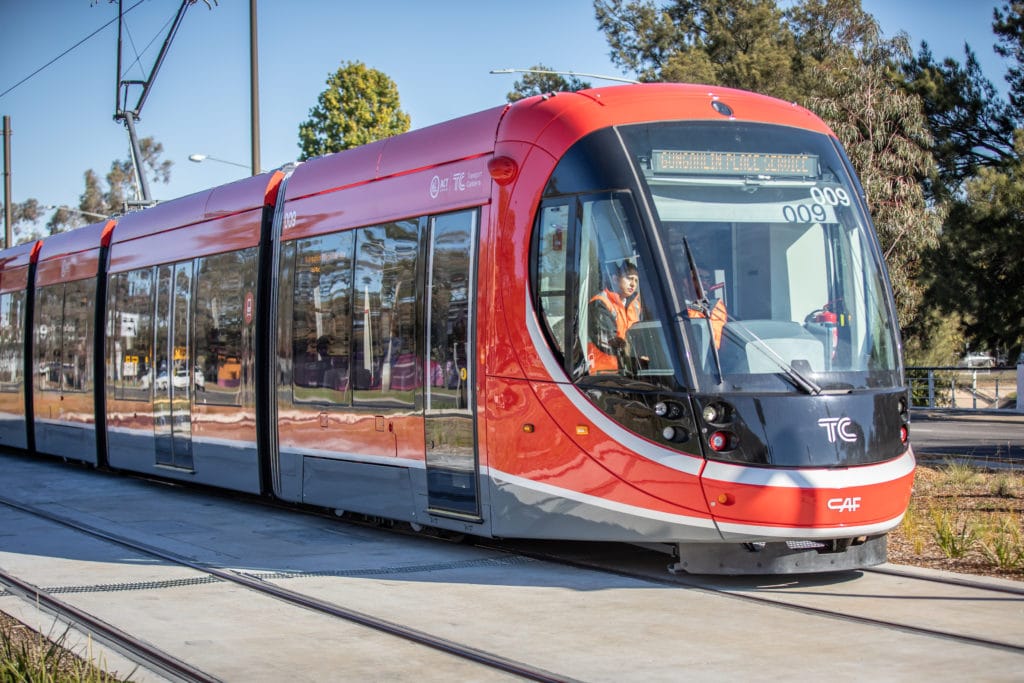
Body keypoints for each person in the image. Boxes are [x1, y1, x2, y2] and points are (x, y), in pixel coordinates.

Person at [588, 261, 643, 373]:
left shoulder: (635, 306)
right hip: (603, 370)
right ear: (615, 279)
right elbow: (609, 341)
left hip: (626, 370)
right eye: (629, 278)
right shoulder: (601, 302)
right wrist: (633, 358)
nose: (633, 284)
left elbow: (641, 336)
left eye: (636, 280)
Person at [687, 268, 727, 349]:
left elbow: (716, 344)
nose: (704, 283)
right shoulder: (672, 303)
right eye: (700, 278)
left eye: (708, 279)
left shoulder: (713, 306)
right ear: (685, 281)